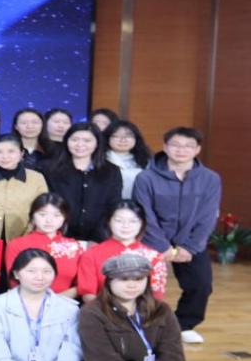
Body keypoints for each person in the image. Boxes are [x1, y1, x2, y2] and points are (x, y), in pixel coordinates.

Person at [133, 127, 221, 344]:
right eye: (176, 145)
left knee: (201, 285)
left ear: (197, 149)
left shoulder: (210, 179)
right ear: (165, 147)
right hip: (153, 240)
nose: (181, 150)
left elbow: (208, 215)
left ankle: (184, 325)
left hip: (190, 241)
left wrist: (190, 247)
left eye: (188, 146)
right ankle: (143, 325)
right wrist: (161, 246)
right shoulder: (146, 177)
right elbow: (144, 213)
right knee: (140, 285)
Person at [78, 201, 168, 303]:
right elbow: (88, 294)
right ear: (108, 221)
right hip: (101, 310)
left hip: (143, 311)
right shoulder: (91, 254)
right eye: (119, 220)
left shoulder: (154, 257)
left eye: (133, 221)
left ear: (142, 223)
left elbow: (156, 296)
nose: (126, 226)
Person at [45, 123, 123, 242]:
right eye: (75, 140)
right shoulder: (51, 170)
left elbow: (113, 205)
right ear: (66, 141)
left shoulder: (111, 171)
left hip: (99, 239)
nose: (80, 144)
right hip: (58, 236)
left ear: (97, 143)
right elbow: (47, 204)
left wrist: (99, 237)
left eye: (87, 140)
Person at [6, 193, 86, 299]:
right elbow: (14, 282)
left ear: (64, 218)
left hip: (65, 303)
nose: (49, 220)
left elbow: (82, 284)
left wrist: (55, 301)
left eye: (57, 215)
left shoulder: (74, 246)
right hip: (25, 303)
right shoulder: (17, 245)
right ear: (32, 216)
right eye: (42, 214)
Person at [0, 134, 49, 241]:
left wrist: (27, 237)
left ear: (21, 153)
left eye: (11, 151)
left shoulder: (36, 178)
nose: (5, 157)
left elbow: (42, 210)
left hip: (24, 239)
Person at [102, 120, 151, 200]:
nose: (123, 140)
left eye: (128, 136)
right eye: (116, 136)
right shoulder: (100, 160)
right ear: (107, 138)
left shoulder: (146, 160)